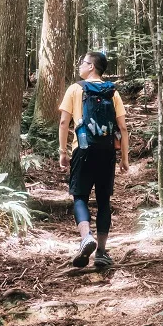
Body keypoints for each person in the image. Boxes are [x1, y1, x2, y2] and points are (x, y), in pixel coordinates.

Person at [58, 51, 129, 269]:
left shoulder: (75, 88)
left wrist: (62, 151)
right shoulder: (112, 92)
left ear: (92, 67)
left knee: (79, 196)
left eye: (83, 63)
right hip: (106, 151)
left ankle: (86, 237)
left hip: (83, 149)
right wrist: (124, 158)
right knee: (104, 200)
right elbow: (123, 127)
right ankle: (101, 252)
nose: (80, 65)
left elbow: (63, 122)